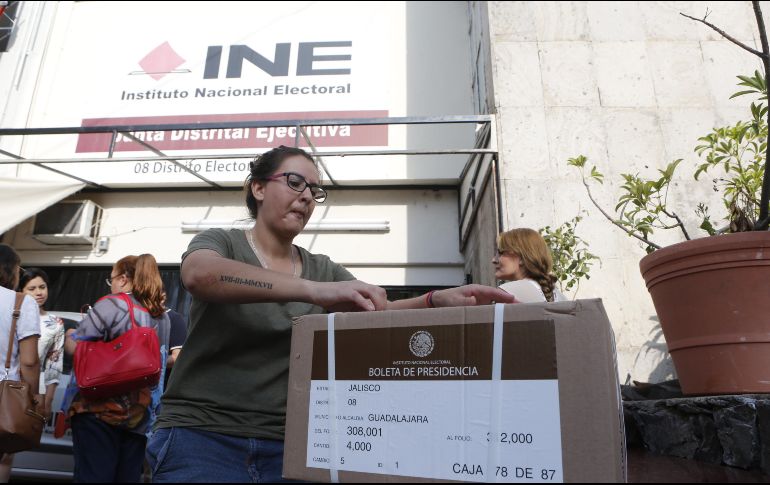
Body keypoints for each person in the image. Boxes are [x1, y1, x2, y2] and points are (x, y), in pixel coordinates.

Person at [147, 145, 514, 483]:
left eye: (315, 190)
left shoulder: (322, 268)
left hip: (290, 443)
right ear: (258, 188)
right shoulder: (222, 242)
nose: (307, 196)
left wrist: (435, 301)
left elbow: (377, 309)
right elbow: (199, 275)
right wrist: (315, 291)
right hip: (199, 436)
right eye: (295, 182)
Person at [62, 254, 171, 483]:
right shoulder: (161, 316)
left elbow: (77, 348)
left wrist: (70, 335)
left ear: (123, 279)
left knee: (92, 476)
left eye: (111, 279)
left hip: (98, 411)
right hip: (139, 415)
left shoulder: (112, 304)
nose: (110, 284)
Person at [0, 245, 40, 482]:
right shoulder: (21, 302)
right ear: (12, 270)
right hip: (3, 396)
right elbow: (29, 361)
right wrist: (33, 399)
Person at [18, 268, 65, 419]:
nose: (39, 292)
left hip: (35, 390)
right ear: (21, 291)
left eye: (42, 287)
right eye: (32, 289)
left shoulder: (55, 322)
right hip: (6, 384)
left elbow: (54, 364)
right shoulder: (11, 316)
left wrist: (48, 400)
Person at [493, 228, 567, 303]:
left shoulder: (507, 294)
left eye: (501, 253)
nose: (494, 260)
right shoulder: (560, 296)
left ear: (522, 258)